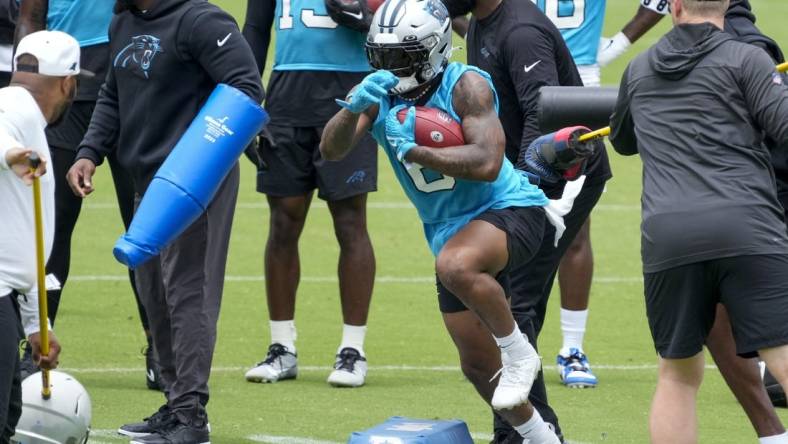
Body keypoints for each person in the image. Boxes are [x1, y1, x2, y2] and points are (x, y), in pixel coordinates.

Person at [321, 0, 582, 441]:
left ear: (432, 49)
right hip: (449, 229)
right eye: (381, 54)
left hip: (510, 209)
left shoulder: (467, 85)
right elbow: (331, 149)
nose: (389, 64)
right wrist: (352, 108)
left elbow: (485, 161)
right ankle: (541, 437)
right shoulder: (381, 91)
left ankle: (520, 354)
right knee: (477, 362)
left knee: (457, 266)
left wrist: (415, 150)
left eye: (400, 54)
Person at [66, 0, 264, 442]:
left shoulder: (201, 21)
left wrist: (197, 161)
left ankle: (191, 414)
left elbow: (246, 88)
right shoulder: (123, 19)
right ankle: (175, 403)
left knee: (187, 294)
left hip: (192, 184)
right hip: (145, 179)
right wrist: (88, 152)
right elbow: (111, 94)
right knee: (154, 294)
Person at [602, 0, 788, 431]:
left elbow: (624, 140)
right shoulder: (749, 58)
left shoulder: (640, 67)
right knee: (781, 354)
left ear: (676, 7)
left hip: (669, 237)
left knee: (678, 374)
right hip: (747, 228)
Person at [15, 0, 163, 392]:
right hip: (67, 86)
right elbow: (31, 16)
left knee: (143, 225)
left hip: (133, 77)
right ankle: (36, 345)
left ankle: (161, 349)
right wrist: (23, 88)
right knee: (51, 222)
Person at [241, 0, 377, 388]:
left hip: (349, 89)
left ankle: (353, 350)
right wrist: (247, 102)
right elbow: (255, 29)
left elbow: (393, 23)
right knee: (283, 220)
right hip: (286, 94)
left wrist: (365, 19)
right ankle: (281, 347)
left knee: (350, 221)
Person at [0, 29, 76, 443]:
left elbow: (23, 242)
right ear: (68, 83)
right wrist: (11, 153)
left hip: (7, 298)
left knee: (8, 417)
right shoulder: (15, 106)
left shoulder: (25, 114)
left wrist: (37, 326)